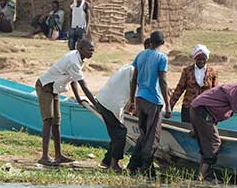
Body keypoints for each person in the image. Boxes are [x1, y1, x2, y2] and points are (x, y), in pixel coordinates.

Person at [35, 39, 99, 166]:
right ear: (80, 49)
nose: (92, 52)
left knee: (57, 121)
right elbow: (83, 86)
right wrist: (96, 105)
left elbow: (73, 79)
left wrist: (78, 98)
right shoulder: (73, 61)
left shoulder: (78, 59)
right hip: (45, 88)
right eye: (89, 50)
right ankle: (44, 156)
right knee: (48, 120)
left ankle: (58, 155)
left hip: (54, 90)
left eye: (93, 50)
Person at [92, 38, 152, 172]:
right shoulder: (137, 70)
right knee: (120, 133)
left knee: (116, 133)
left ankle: (106, 161)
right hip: (110, 103)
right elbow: (137, 94)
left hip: (104, 100)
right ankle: (114, 165)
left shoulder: (129, 67)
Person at [190, 75, 237, 182]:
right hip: (202, 112)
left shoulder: (233, 87)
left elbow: (215, 106)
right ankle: (200, 178)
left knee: (206, 146)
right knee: (214, 144)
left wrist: (198, 128)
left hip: (197, 110)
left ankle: (201, 176)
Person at [127, 30, 170, 176]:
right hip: (153, 100)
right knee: (153, 137)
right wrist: (168, 105)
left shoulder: (141, 55)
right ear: (162, 43)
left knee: (143, 133)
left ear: (150, 41)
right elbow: (163, 82)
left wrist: (132, 100)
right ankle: (146, 167)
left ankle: (133, 164)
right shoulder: (162, 58)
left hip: (140, 98)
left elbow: (134, 79)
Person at [170, 44, 218, 123]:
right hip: (188, 107)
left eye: (203, 59)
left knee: (202, 132)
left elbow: (215, 91)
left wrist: (215, 110)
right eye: (199, 59)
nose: (201, 61)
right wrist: (170, 106)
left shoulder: (212, 72)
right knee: (187, 130)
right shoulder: (187, 71)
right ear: (195, 58)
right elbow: (179, 89)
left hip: (205, 108)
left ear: (206, 59)